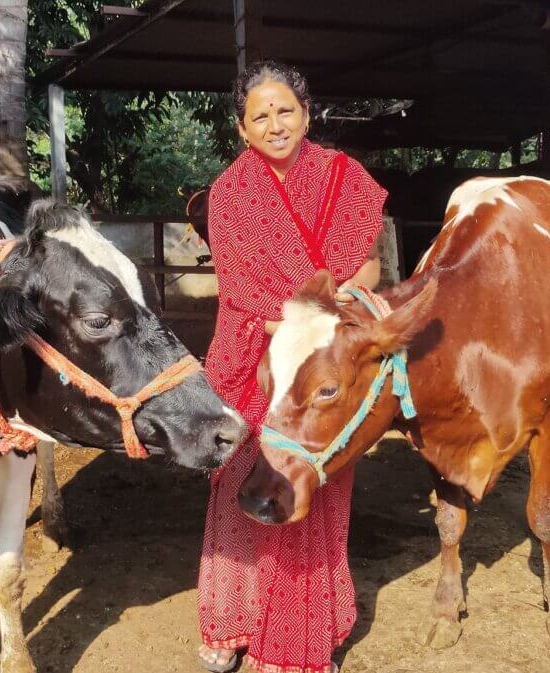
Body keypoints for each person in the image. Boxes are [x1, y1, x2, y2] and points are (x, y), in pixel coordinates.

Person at [195, 61, 386, 673]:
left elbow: (370, 269)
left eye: (285, 111)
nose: (274, 124)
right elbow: (244, 294)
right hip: (258, 354)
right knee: (241, 484)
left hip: (326, 365)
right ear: (241, 128)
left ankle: (296, 642)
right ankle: (232, 621)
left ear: (306, 113)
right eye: (260, 115)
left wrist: (339, 314)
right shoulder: (229, 196)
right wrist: (306, 328)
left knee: (312, 489)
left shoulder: (345, 178)